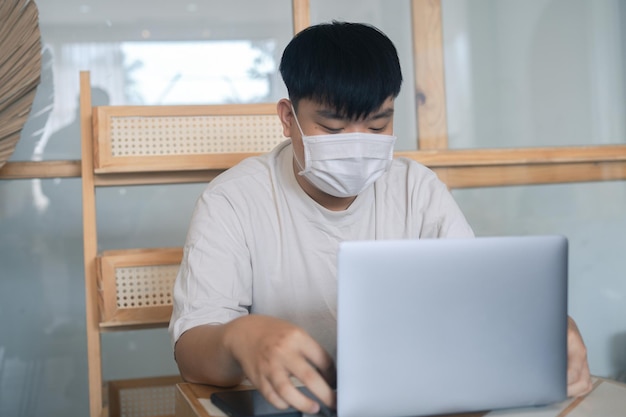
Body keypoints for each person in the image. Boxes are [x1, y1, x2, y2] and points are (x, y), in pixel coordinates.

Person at [169, 21, 592, 415]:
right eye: (332, 129)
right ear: (287, 118)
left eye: (376, 125)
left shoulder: (416, 189)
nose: (356, 145)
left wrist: (547, 330)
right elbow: (192, 356)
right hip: (290, 406)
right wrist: (240, 338)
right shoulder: (234, 200)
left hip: (410, 402)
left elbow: (478, 305)